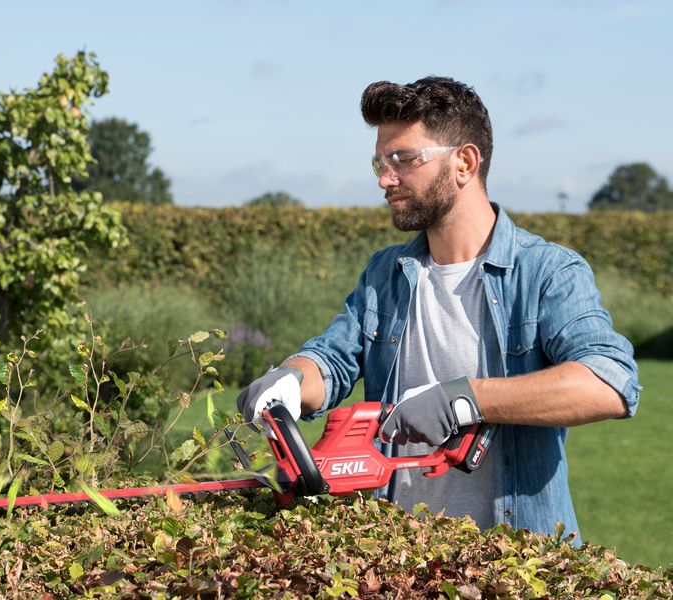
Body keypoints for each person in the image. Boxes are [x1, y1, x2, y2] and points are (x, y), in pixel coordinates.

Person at [236, 76, 640, 542]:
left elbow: (610, 381)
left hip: (513, 567)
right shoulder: (387, 272)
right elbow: (332, 359)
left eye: (404, 160)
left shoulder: (547, 272)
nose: (386, 179)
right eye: (380, 163)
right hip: (396, 561)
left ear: (464, 162)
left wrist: (462, 398)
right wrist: (288, 379)